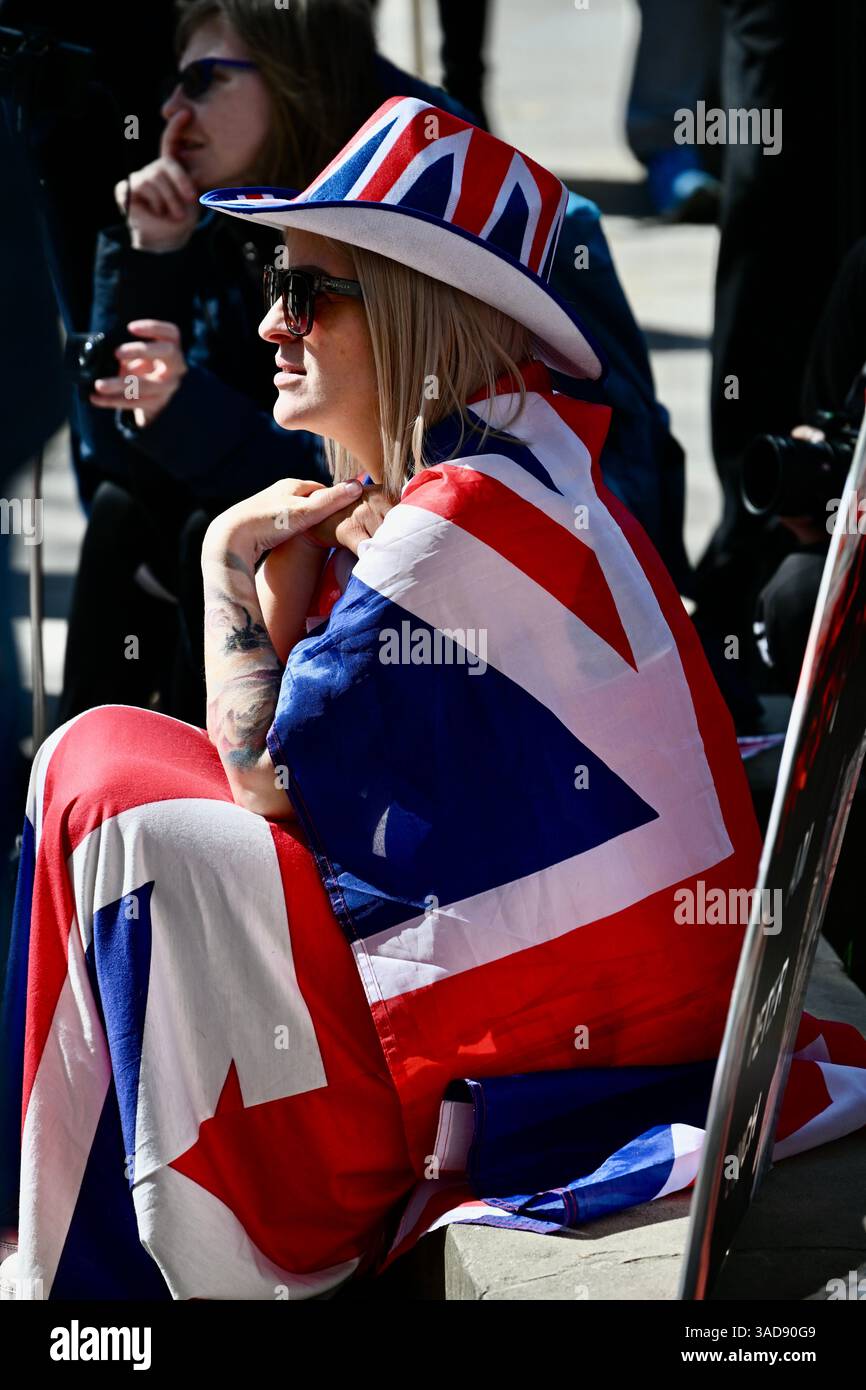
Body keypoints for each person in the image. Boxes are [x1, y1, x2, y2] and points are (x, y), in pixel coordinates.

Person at [2, 99, 761, 1300]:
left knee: (106, 783)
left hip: (544, 1075)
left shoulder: (463, 512)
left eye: (306, 292)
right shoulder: (514, 471)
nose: (267, 320)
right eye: (272, 282)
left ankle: (85, 1277)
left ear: (414, 310)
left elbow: (263, 780)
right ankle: (67, 1263)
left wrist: (222, 566)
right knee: (113, 770)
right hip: (585, 1037)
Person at [60, 0, 479, 727]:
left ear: (291, 76)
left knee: (215, 528)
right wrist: (150, 257)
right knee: (122, 509)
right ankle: (74, 820)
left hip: (437, 573)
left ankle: (204, 810)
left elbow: (372, 475)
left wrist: (192, 427)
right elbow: (109, 457)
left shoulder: (413, 185)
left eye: (201, 80)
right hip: (324, 522)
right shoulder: (220, 210)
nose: (169, 110)